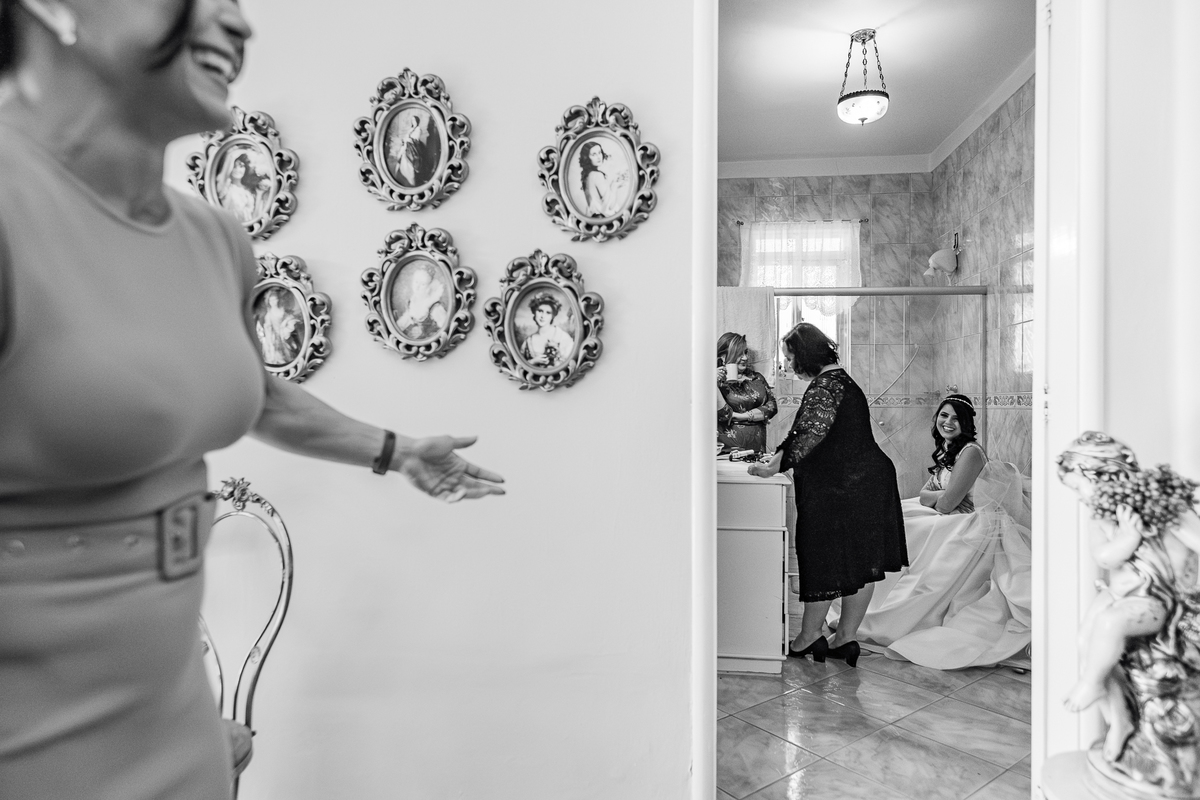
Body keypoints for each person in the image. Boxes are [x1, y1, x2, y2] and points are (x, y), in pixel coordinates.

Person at [0, 2, 504, 799]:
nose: (237, 25)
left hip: (180, 735)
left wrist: (397, 450)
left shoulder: (215, 239)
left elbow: (251, 392)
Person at [747, 322, 906, 667]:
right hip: (868, 482)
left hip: (846, 487)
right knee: (861, 563)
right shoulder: (843, 381)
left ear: (805, 355)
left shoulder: (825, 386)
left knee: (822, 557)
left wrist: (773, 466)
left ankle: (809, 637)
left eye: (791, 358)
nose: (790, 366)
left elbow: (808, 433)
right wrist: (779, 458)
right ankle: (845, 638)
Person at [845, 395, 1033, 670]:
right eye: (944, 415)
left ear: (967, 423)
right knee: (894, 516)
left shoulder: (970, 452)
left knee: (907, 527)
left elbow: (945, 504)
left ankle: (893, 611)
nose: (948, 422)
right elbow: (925, 494)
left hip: (968, 520)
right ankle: (864, 601)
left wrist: (938, 497)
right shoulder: (949, 449)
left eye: (956, 418)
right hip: (952, 513)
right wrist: (938, 496)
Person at [1056, 432, 1200, 761]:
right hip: (1118, 592)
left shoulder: (1159, 503)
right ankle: (1118, 721)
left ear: (1104, 475)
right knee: (1085, 641)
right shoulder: (1100, 516)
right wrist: (1128, 537)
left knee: (1110, 624)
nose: (1079, 498)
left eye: (1079, 488)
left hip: (1157, 600)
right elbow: (1104, 557)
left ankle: (1091, 684)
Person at [716, 331, 777, 454]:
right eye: (739, 354)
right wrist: (712, 383)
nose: (745, 358)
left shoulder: (757, 378)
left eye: (745, 352)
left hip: (757, 451)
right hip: (728, 453)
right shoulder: (715, 381)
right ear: (723, 357)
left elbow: (772, 407)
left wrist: (740, 416)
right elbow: (723, 414)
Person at [393, 263, 448, 341]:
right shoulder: (412, 302)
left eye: (423, 284)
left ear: (429, 287)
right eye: (416, 282)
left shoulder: (434, 307)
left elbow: (445, 329)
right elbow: (405, 320)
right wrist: (395, 330)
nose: (417, 287)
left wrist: (424, 332)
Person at [520, 292, 574, 368]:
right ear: (534, 312)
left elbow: (571, 363)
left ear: (553, 316)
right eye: (540, 311)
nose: (542, 316)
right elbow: (519, 366)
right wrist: (533, 361)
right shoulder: (528, 342)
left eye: (548, 313)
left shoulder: (563, 337)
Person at [577, 140, 628, 217]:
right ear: (587, 158)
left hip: (593, 218)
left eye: (599, 152)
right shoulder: (597, 175)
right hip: (601, 218)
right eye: (594, 154)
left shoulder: (587, 175)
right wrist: (615, 186)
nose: (598, 157)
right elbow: (610, 206)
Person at [255, 288, 301, 366]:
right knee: (277, 353)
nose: (273, 302)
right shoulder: (269, 314)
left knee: (288, 351)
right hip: (274, 336)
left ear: (278, 300)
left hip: (283, 333)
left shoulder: (282, 310)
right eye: (271, 300)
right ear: (269, 302)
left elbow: (289, 318)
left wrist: (284, 323)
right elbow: (267, 326)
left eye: (275, 299)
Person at [217, 151, 258, 223]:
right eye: (234, 167)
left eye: (241, 166)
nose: (238, 170)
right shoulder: (226, 187)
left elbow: (254, 217)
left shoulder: (248, 191)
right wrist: (231, 157)